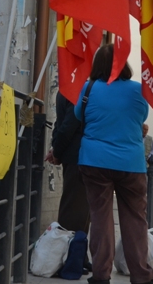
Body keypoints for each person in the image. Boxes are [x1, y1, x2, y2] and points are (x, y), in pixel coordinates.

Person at [75, 44, 153, 284]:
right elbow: (140, 118)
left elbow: (79, 115)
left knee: (101, 217)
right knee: (135, 219)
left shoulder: (88, 88)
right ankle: (142, 276)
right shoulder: (138, 91)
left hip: (94, 161)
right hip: (131, 164)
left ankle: (100, 276)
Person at [46, 92, 91, 234]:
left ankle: (73, 252)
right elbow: (66, 126)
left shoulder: (67, 89)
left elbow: (62, 125)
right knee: (75, 212)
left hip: (74, 158)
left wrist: (56, 150)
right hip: (79, 157)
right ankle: (72, 253)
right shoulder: (79, 90)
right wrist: (57, 151)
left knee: (75, 210)